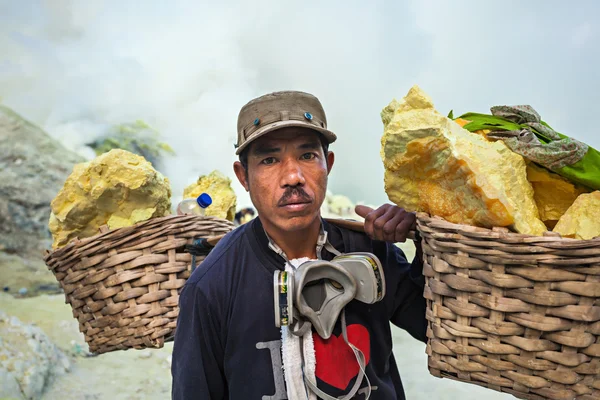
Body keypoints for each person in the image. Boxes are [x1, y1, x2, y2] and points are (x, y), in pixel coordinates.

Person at [171, 90, 427, 399]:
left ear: (327, 164)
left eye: (307, 156)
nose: (293, 176)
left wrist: (427, 233)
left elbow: (435, 327)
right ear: (244, 177)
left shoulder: (372, 252)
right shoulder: (212, 285)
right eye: (269, 159)